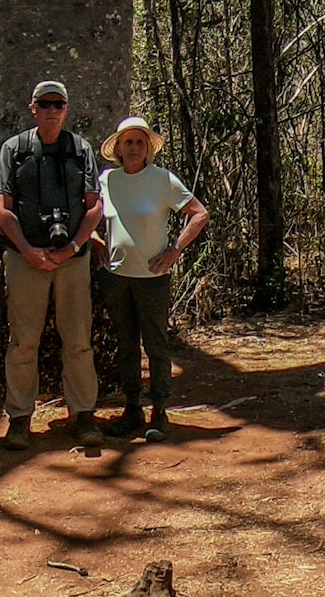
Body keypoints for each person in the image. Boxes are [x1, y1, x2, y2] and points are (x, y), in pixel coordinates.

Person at [0, 78, 106, 449]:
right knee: (23, 340)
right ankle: (21, 417)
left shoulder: (80, 149)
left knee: (78, 339)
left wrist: (72, 246)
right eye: (45, 104)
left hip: (73, 259)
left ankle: (84, 413)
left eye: (59, 105)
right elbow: (2, 209)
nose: (52, 111)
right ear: (33, 108)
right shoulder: (15, 150)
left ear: (66, 109)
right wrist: (27, 250)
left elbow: (94, 206)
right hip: (25, 258)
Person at [96, 116, 209, 442]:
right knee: (126, 345)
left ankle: (160, 410)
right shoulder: (107, 180)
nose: (133, 148)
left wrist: (174, 249)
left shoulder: (162, 180)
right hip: (117, 277)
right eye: (128, 142)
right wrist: (93, 238)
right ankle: (133, 409)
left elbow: (199, 213)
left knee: (156, 344)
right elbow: (85, 211)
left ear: (147, 149)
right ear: (118, 148)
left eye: (139, 142)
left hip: (153, 278)